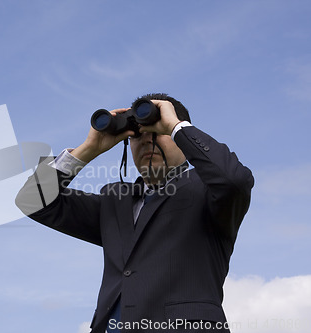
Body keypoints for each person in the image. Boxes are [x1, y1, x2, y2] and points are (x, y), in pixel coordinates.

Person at [15, 93, 254, 332]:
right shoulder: (115, 202)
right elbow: (32, 201)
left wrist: (176, 127)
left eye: (159, 132)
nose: (148, 141)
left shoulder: (208, 191)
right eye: (138, 135)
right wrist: (88, 149)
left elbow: (233, 180)